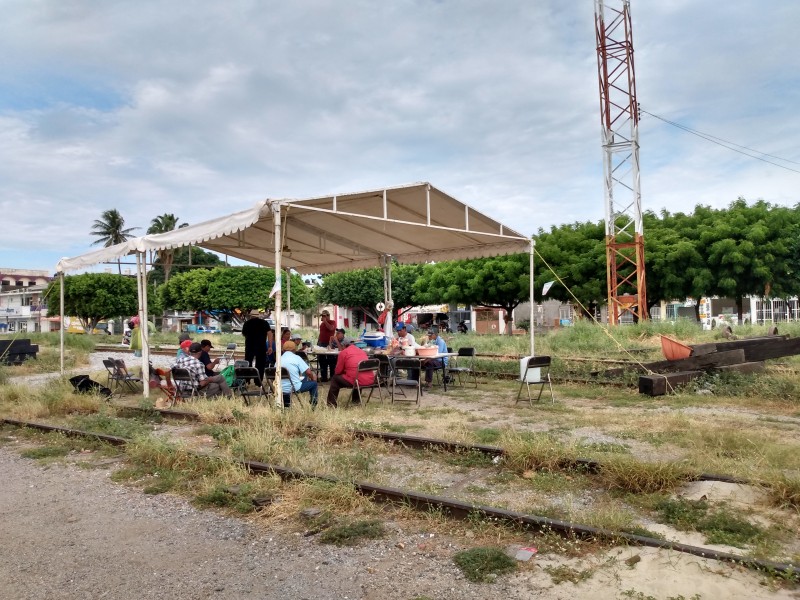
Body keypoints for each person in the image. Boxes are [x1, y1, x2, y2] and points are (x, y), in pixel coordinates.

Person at [326, 336, 373, 407]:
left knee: (335, 379)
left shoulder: (344, 352)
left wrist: (344, 372)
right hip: (370, 379)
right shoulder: (362, 352)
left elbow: (338, 371)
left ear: (344, 345)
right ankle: (356, 400)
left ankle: (331, 404)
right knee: (356, 374)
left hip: (356, 380)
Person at [280, 340, 318, 408]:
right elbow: (308, 372)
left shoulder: (278, 359)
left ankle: (285, 405)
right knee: (314, 384)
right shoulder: (296, 358)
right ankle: (313, 405)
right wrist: (313, 378)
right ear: (294, 349)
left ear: (283, 349)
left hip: (280, 388)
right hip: (294, 387)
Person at [242, 312, 271, 379]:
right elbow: (269, 333)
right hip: (261, 346)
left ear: (250, 316)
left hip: (249, 346)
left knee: (248, 362)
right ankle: (258, 381)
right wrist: (270, 346)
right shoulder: (264, 323)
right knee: (260, 364)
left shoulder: (247, 323)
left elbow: (244, 334)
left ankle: (247, 380)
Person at [317, 309, 336, 382]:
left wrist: (325, 321)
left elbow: (331, 328)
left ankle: (332, 377)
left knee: (331, 360)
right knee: (322, 360)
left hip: (329, 343)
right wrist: (318, 341)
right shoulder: (322, 324)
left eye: (324, 316)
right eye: (322, 316)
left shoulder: (332, 322)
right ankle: (324, 377)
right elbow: (321, 333)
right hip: (321, 343)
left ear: (328, 316)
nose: (323, 317)